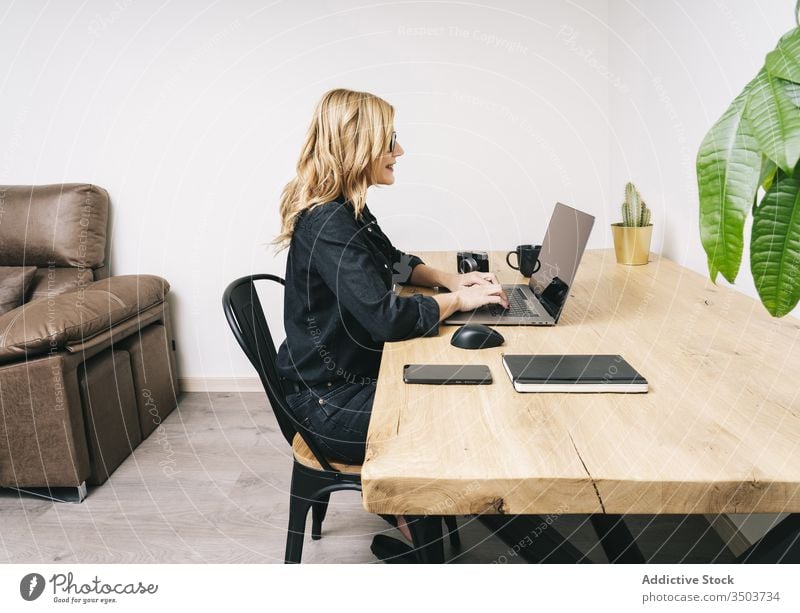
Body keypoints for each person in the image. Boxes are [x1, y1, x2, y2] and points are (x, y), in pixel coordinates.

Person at [273, 88, 508, 543]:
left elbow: (393, 261)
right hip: (327, 403)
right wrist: (459, 303)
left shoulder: (348, 208)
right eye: (389, 140)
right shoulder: (328, 222)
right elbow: (386, 318)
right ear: (356, 146)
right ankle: (426, 531)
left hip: (345, 380)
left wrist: (450, 281)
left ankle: (425, 519)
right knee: (458, 417)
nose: (399, 151)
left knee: (462, 391)